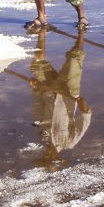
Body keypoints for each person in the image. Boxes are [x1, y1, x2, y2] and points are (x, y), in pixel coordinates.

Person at [28, 28, 91, 169]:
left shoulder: (42, 136)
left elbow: (37, 110)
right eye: (51, 158)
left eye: (45, 157)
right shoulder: (69, 142)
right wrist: (84, 109)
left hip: (48, 91)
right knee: (75, 58)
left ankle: (41, 33)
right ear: (58, 157)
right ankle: (82, 32)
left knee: (36, 65)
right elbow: (84, 124)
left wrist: (36, 89)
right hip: (67, 93)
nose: (48, 155)